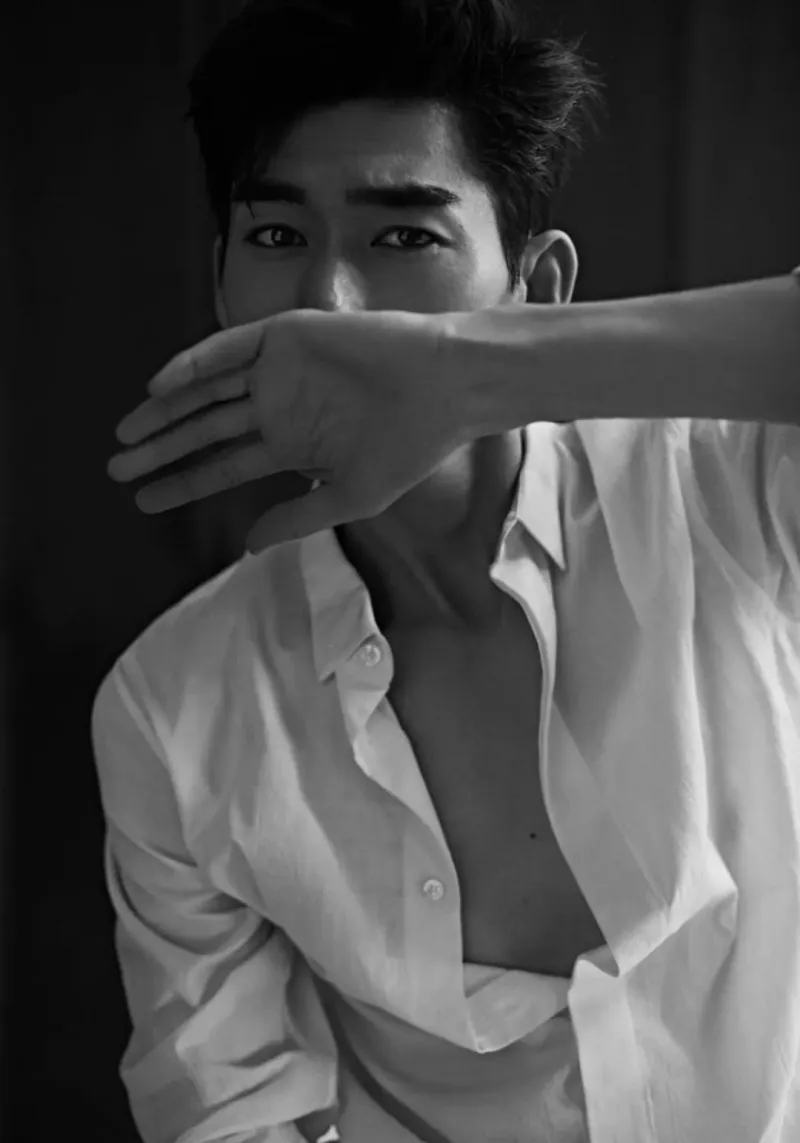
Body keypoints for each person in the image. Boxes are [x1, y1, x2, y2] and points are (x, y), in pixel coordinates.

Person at [92, 2, 800, 1143]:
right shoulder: (176, 705)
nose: (329, 306)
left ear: (538, 288)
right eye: (275, 237)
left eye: (405, 238)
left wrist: (473, 374)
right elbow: (226, 1111)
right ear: (220, 286)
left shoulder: (728, 492)